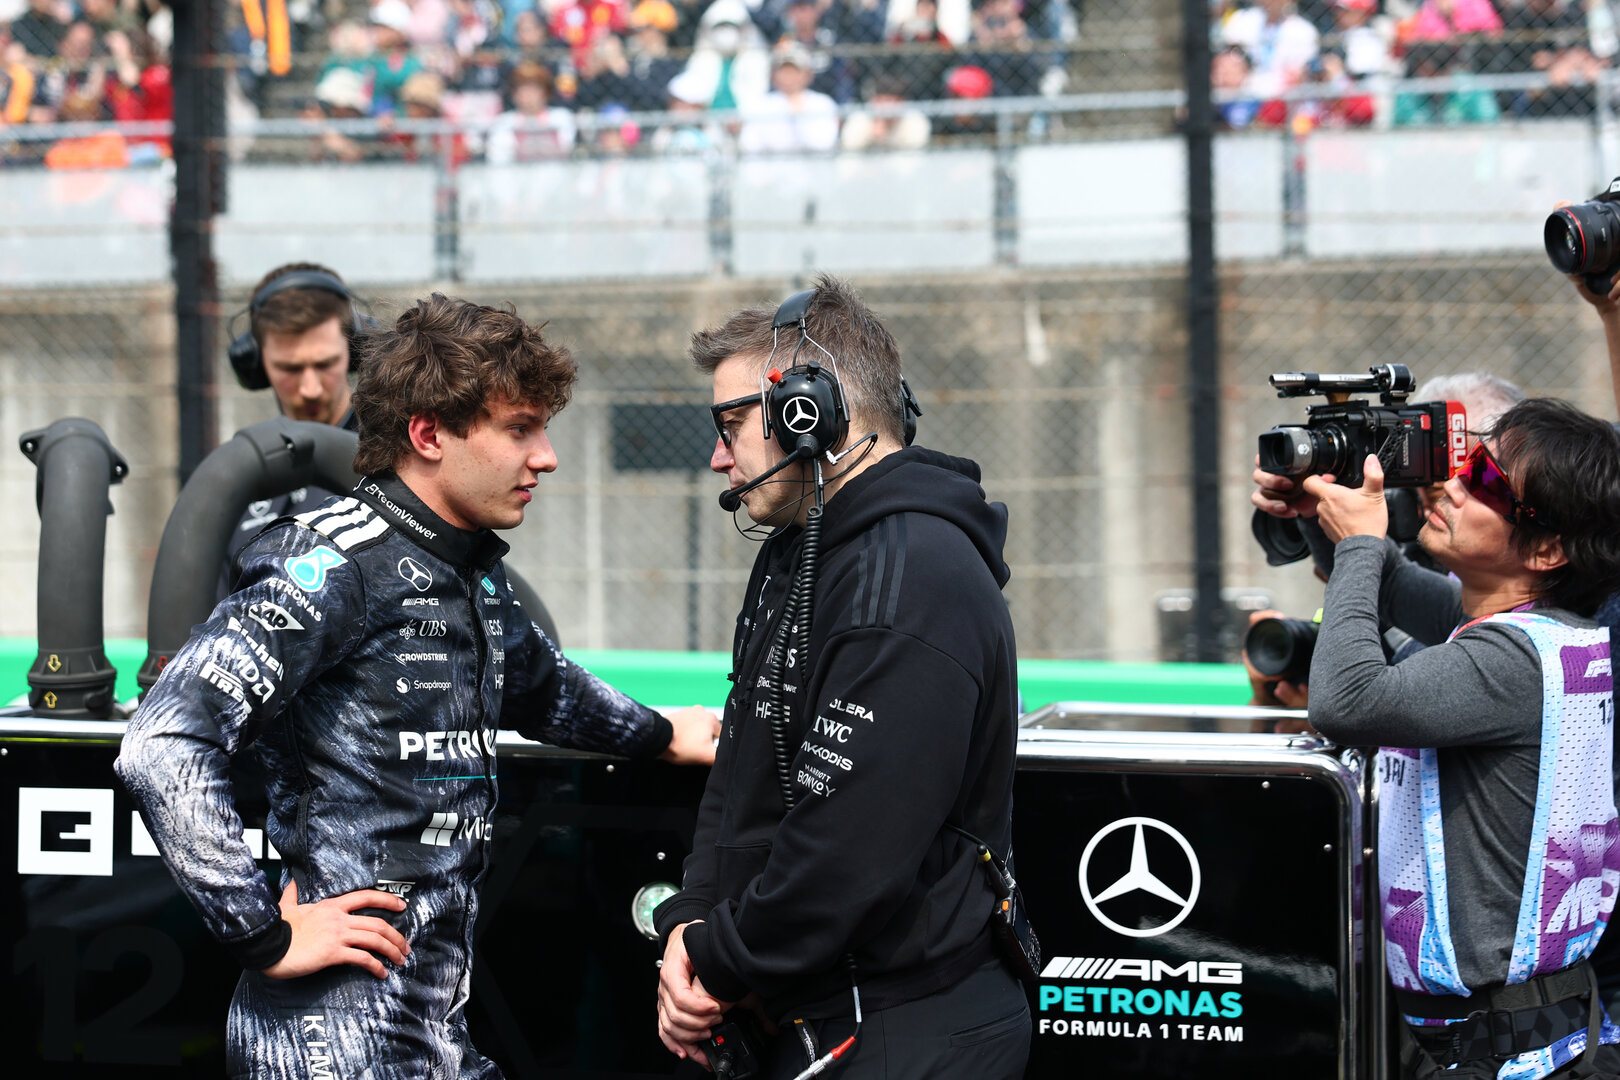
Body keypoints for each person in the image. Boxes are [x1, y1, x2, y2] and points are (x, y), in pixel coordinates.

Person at [116, 293, 719, 1080]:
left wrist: (664, 734)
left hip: (426, 1031)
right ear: (429, 434)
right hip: (331, 1039)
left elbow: (544, 687)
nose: (547, 456)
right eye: (519, 429)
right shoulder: (330, 564)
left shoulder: (467, 572)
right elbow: (162, 742)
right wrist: (262, 934)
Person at [653, 275, 1029, 1079]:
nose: (719, 456)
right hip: (814, 1013)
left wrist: (716, 960)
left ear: (808, 415)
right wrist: (689, 926)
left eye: (731, 425)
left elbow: (848, 850)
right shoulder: (805, 550)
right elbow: (744, 765)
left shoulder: (914, 576)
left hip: (900, 1026)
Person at [1304, 398, 1620, 1079]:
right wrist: (1320, 515)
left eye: (1486, 483)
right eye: (1466, 463)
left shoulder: (1509, 665)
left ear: (1547, 547)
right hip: (1518, 1032)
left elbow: (1346, 699)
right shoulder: (1543, 633)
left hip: (1510, 1052)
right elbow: (1396, 592)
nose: (1449, 485)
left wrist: (1361, 542)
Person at [221, 263, 373, 593]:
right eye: (290, 368)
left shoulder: (404, 459)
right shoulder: (239, 478)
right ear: (257, 365)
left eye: (325, 364)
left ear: (354, 350)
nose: (310, 389)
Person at [738, 43, 840, 154]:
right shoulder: (759, 105)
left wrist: (799, 115)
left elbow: (824, 144)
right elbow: (750, 145)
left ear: (808, 74)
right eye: (783, 70)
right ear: (773, 75)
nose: (788, 76)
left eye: (794, 70)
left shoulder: (823, 104)